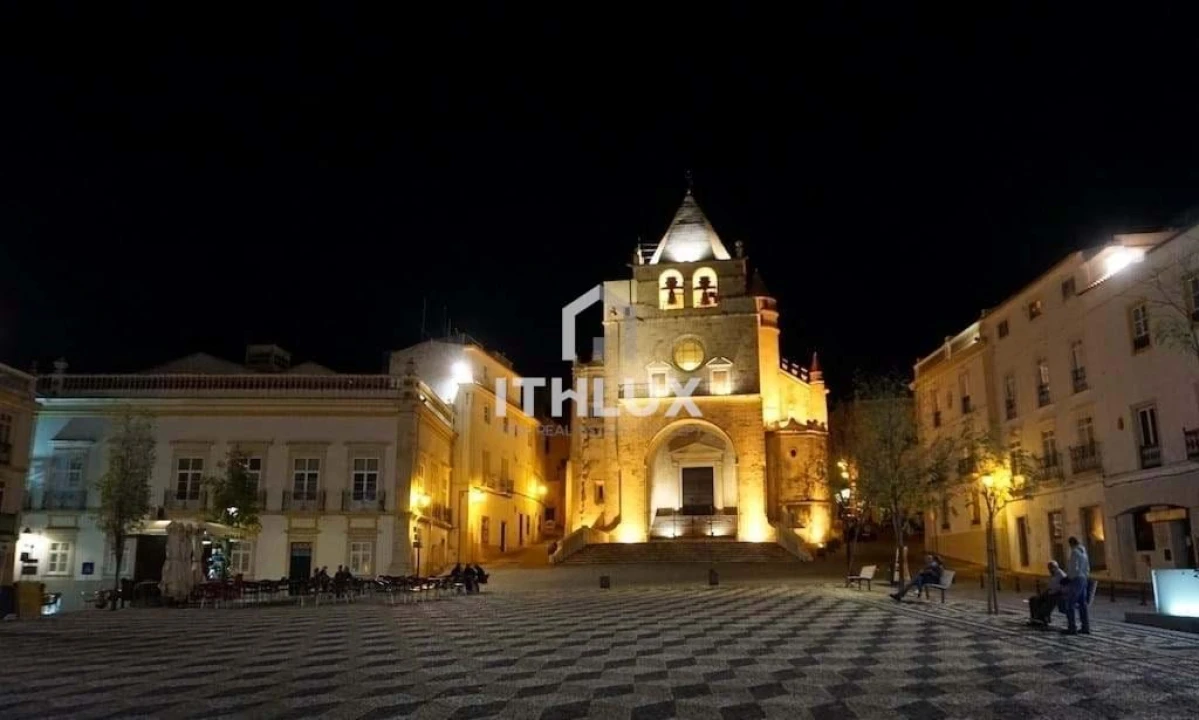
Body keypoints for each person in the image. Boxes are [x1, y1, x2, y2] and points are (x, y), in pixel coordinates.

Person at [1062, 537, 1091, 635]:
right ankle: (1085, 627)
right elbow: (1087, 567)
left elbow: (1073, 567)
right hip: (1083, 579)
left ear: (1071, 544)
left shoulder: (1074, 552)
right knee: (1083, 604)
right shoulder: (1084, 552)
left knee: (1070, 604)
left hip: (1076, 579)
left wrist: (1068, 578)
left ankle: (1072, 627)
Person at [1028, 560, 1067, 627]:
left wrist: (1050, 592)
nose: (1050, 570)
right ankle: (1035, 618)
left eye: (1051, 568)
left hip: (1056, 594)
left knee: (1048, 602)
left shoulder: (1061, 576)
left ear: (1055, 567)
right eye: (1049, 568)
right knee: (1033, 599)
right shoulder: (1053, 575)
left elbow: (1062, 588)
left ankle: (1042, 618)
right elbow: (1050, 586)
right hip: (1050, 592)